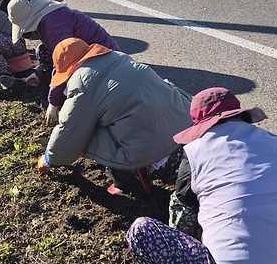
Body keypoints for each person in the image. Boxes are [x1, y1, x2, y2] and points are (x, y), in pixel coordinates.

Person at [126, 87, 277, 264]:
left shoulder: (194, 153)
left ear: (199, 126)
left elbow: (181, 226)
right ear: (239, 114)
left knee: (142, 230)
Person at [36, 38, 192, 199]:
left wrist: (50, 158)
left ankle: (130, 180)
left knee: (86, 131)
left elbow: (70, 130)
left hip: (160, 157)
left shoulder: (82, 82)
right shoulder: (119, 57)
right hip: (189, 139)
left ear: (67, 69)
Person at [7, 0, 120, 126]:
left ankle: (69, 100)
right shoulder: (49, 16)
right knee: (42, 51)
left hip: (104, 64)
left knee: (75, 90)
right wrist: (39, 74)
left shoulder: (53, 22)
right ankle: (62, 95)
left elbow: (63, 62)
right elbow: (56, 55)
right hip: (92, 58)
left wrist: (54, 103)